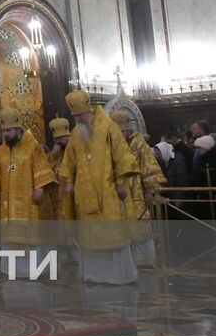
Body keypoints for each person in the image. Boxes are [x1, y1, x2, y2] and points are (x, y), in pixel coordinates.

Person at [57, 90, 139, 284]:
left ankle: (118, 276)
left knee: (112, 233)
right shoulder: (76, 134)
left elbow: (122, 156)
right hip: (83, 195)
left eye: (80, 115)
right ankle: (94, 276)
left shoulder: (109, 128)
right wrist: (68, 183)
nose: (77, 119)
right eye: (74, 116)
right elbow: (68, 162)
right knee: (89, 235)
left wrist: (121, 182)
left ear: (89, 110)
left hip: (107, 191)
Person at [0, 108, 56, 265]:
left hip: (28, 201)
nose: (6, 135)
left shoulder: (33, 146)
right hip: (7, 203)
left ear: (18, 128)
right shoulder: (3, 150)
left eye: (9, 130)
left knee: (30, 236)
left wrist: (40, 188)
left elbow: (41, 168)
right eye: (4, 131)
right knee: (10, 236)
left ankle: (33, 269)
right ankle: (13, 269)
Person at [114, 111, 164, 266]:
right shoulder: (113, 145)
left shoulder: (139, 143)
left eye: (120, 132)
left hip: (137, 192)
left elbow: (149, 167)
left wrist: (151, 190)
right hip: (118, 193)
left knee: (141, 225)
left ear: (126, 130)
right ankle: (125, 262)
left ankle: (144, 260)